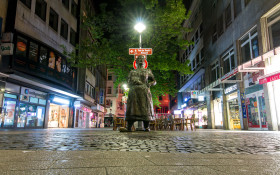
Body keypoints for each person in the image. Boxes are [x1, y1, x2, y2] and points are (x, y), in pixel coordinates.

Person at [124, 55, 156, 132]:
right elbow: (128, 83)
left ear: (145, 62)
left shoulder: (148, 71)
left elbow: (154, 81)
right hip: (134, 92)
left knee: (145, 108)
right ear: (136, 62)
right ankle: (129, 126)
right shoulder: (132, 72)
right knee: (132, 109)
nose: (141, 60)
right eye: (139, 59)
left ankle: (146, 126)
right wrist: (133, 82)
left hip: (144, 92)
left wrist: (150, 84)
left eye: (143, 59)